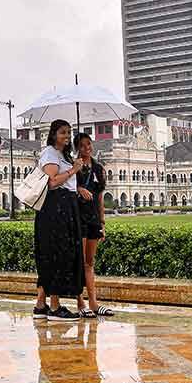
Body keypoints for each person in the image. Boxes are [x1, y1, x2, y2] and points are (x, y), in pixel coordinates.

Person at [32, 119, 85, 322]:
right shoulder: (50, 153)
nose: (67, 136)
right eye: (63, 132)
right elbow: (52, 182)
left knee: (50, 254)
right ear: (53, 134)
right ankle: (54, 307)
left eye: (69, 132)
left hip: (65, 207)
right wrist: (73, 170)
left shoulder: (63, 155)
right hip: (55, 209)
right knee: (56, 254)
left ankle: (40, 304)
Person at [73, 132, 114, 318]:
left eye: (88, 144)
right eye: (82, 145)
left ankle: (94, 303)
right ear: (76, 148)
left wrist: (102, 223)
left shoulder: (98, 168)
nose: (86, 148)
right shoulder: (73, 167)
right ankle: (80, 303)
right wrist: (78, 188)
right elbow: (64, 190)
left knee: (89, 263)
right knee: (79, 262)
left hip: (93, 219)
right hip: (77, 218)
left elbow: (99, 199)